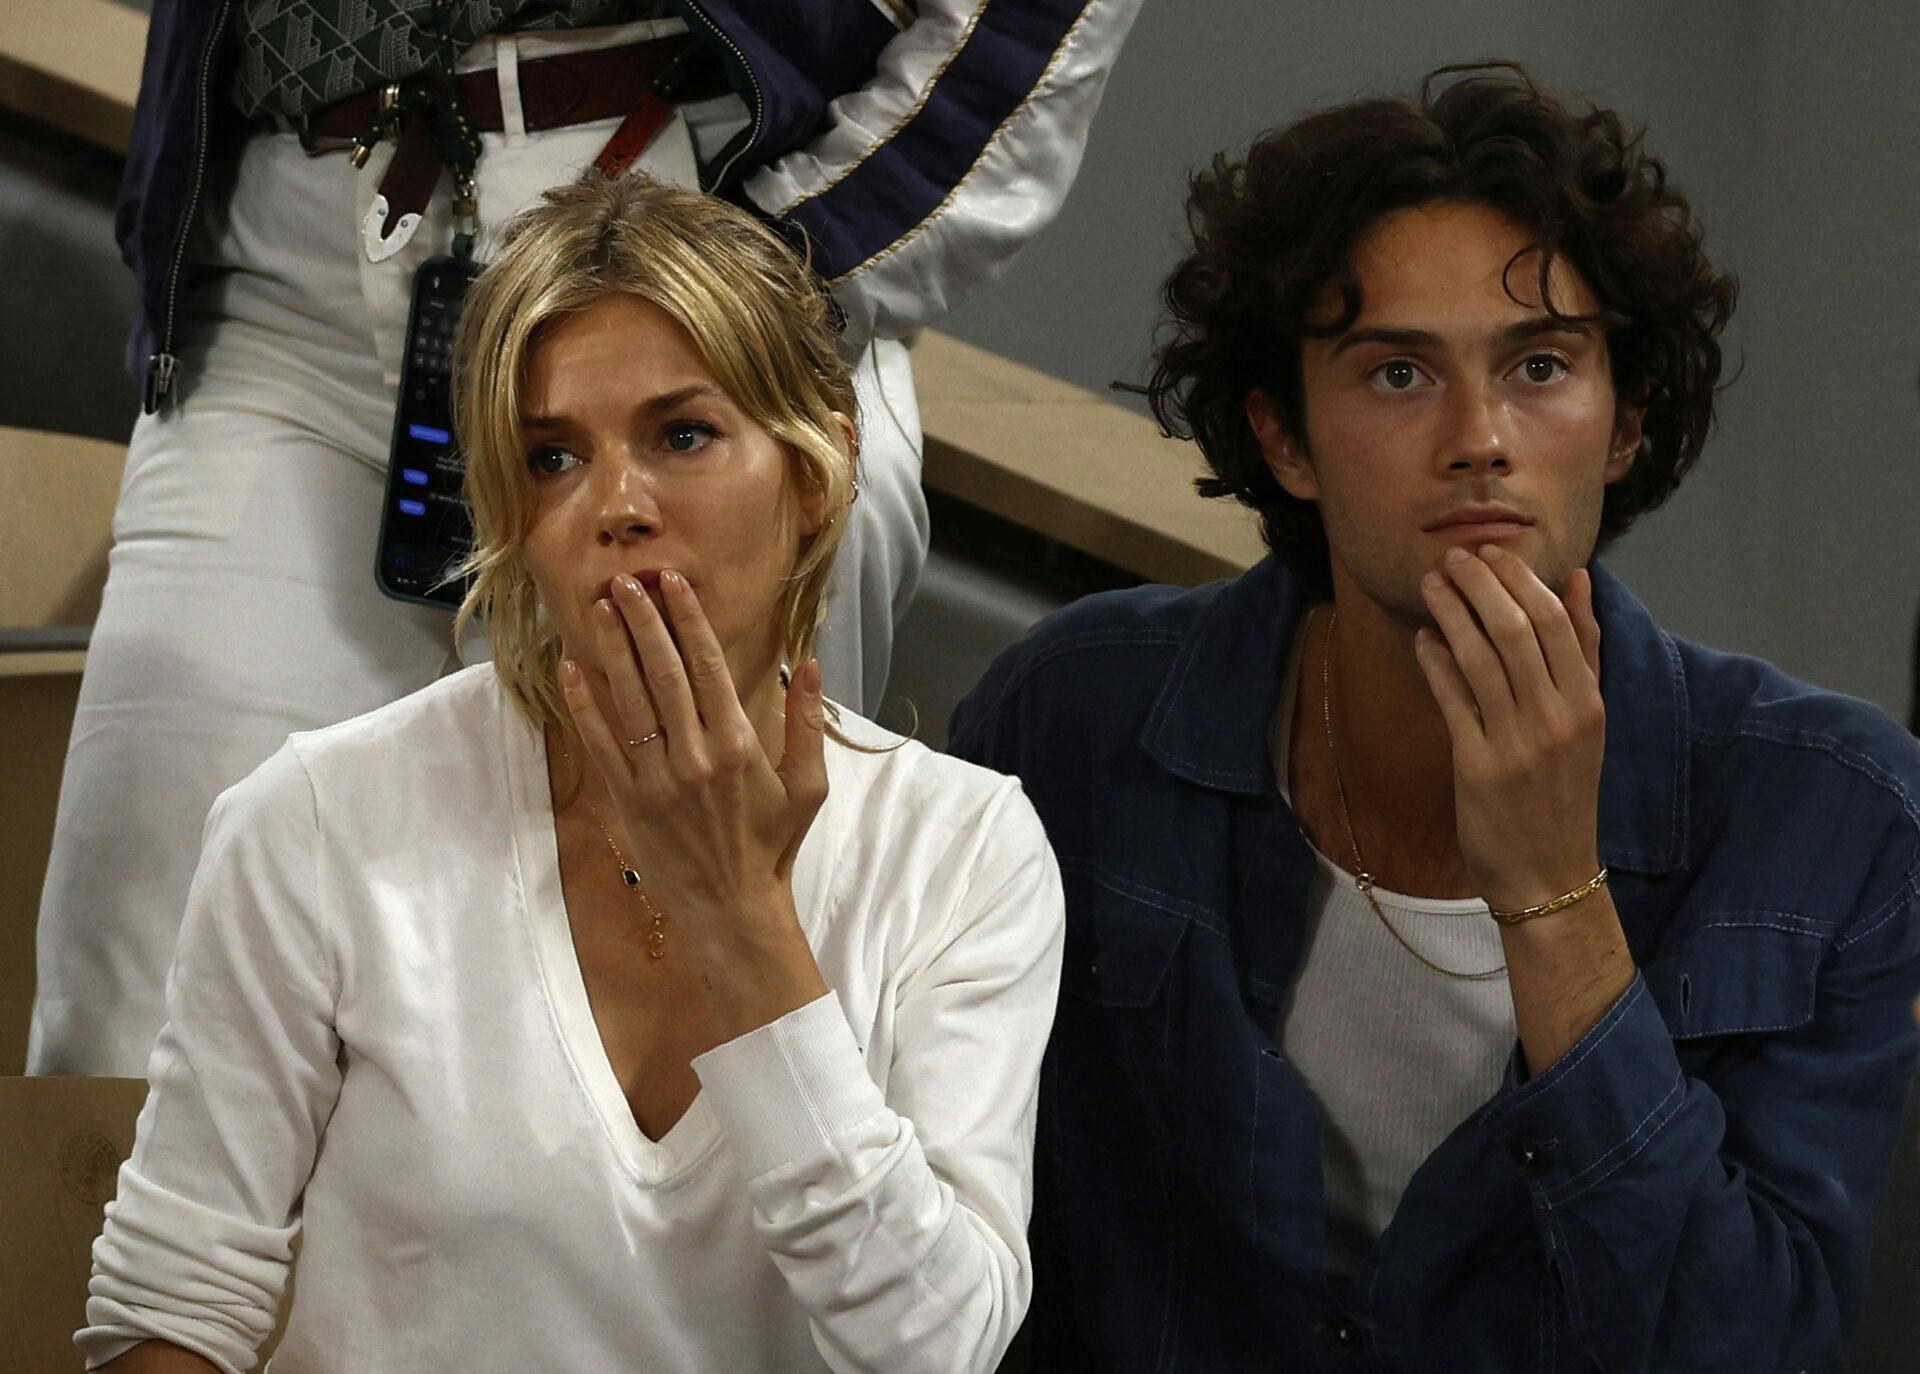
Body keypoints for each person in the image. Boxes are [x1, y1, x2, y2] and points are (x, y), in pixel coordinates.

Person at [951, 63, 1920, 1371]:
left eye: (1539, 365)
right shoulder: (1074, 713)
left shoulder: (1837, 811)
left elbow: (1744, 1345)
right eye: (1398, 373)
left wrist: (1553, 895)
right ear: (1284, 435)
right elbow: (951, 1246)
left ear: (1626, 421)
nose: (1479, 437)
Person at [30, 0, 1141, 1078]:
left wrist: (789, 278)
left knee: (682, 1023)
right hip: (297, 246)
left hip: (693, 223)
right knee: (140, 1001)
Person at [79, 174, 1064, 1374]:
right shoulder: (317, 819)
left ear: (818, 474)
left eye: (683, 435)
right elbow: (172, 1316)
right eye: (552, 458)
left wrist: (739, 915)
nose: (616, 507)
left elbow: (936, 1347)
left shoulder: (967, 853)